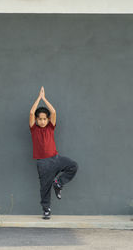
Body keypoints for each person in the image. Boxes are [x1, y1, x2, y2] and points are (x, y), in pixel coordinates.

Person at [29, 86, 78, 220]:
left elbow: (54, 112)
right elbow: (32, 113)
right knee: (44, 188)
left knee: (73, 166)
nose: (42, 121)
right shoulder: (34, 129)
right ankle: (46, 210)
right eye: (40, 119)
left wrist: (44, 98)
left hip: (55, 159)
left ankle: (58, 183)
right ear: (37, 120)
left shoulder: (51, 127)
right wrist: (39, 98)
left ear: (48, 120)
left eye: (45, 119)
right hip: (43, 163)